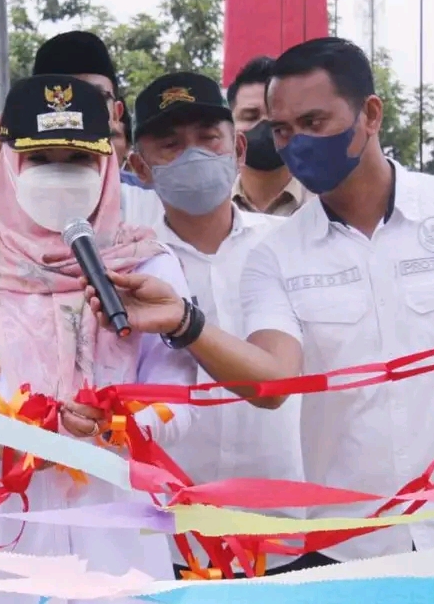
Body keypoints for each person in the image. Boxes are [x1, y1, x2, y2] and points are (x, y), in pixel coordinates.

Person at [85, 36, 434, 568]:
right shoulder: (276, 255)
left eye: (315, 123)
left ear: (371, 114)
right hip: (348, 550)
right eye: (284, 130)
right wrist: (184, 320)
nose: (297, 144)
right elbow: (272, 381)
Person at [0, 74, 196, 604]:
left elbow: (178, 398)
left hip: (117, 553)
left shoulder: (149, 266)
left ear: (106, 164)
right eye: (42, 159)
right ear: (11, 164)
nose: (60, 174)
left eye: (78, 159)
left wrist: (118, 425)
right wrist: (0, 436)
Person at [128, 71, 306, 577]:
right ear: (140, 167)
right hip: (165, 541)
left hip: (284, 532)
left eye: (209, 138)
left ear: (239, 147)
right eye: (170, 144)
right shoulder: (126, 265)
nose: (194, 156)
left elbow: (281, 382)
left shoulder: (290, 245)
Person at [32, 31, 163, 226]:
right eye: (61, 98)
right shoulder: (6, 200)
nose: (78, 110)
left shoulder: (153, 209)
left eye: (94, 98)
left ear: (116, 113)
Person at [225, 56, 312, 216]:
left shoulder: (325, 207)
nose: (265, 126)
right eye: (251, 116)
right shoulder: (216, 210)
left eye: (276, 117)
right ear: (231, 127)